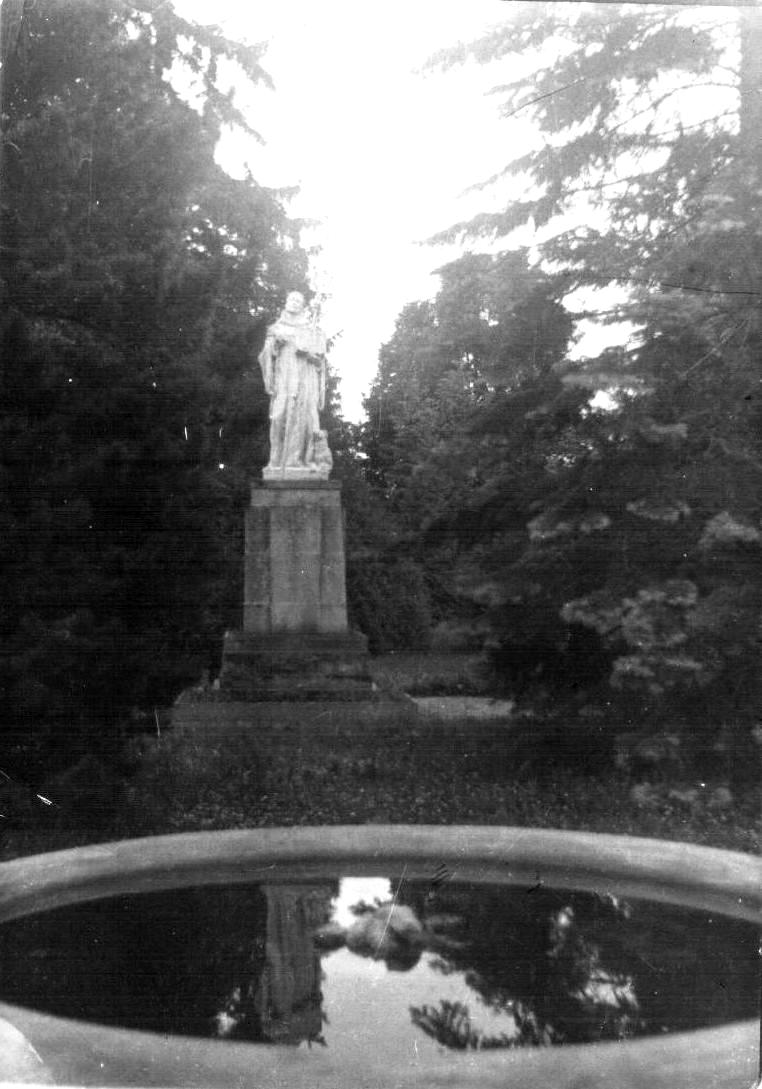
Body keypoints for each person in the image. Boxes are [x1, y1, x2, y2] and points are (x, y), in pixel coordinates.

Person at [258, 291, 330, 476]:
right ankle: (276, 462)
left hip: (305, 381)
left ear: (303, 306)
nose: (294, 303)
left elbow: (320, 361)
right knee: (279, 417)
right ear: (286, 302)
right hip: (284, 379)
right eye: (292, 299)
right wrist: (275, 345)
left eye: (299, 301)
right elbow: (265, 356)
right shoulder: (276, 328)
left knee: (302, 419)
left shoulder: (312, 330)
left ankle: (296, 462)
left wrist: (307, 354)